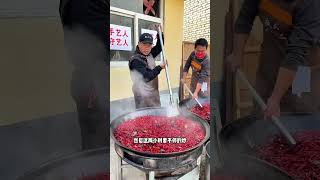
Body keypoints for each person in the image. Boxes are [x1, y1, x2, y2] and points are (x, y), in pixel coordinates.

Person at [228, 0, 320, 119]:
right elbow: (245, 18)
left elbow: (296, 54)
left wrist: (275, 98)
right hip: (269, 64)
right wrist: (237, 54)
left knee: (299, 111)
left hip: (302, 70)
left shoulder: (310, 4)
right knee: (260, 112)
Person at [59, 0, 108, 150]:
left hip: (88, 77)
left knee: (93, 137)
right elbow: (99, 40)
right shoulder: (85, 4)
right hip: (95, 80)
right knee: (98, 141)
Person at [129, 27, 166, 109]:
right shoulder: (136, 60)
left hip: (153, 92)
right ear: (139, 44)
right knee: (144, 117)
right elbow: (145, 77)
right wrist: (159, 67)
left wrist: (160, 34)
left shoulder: (149, 53)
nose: (146, 48)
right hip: (142, 95)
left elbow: (160, 47)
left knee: (156, 116)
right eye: (144, 45)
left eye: (149, 45)